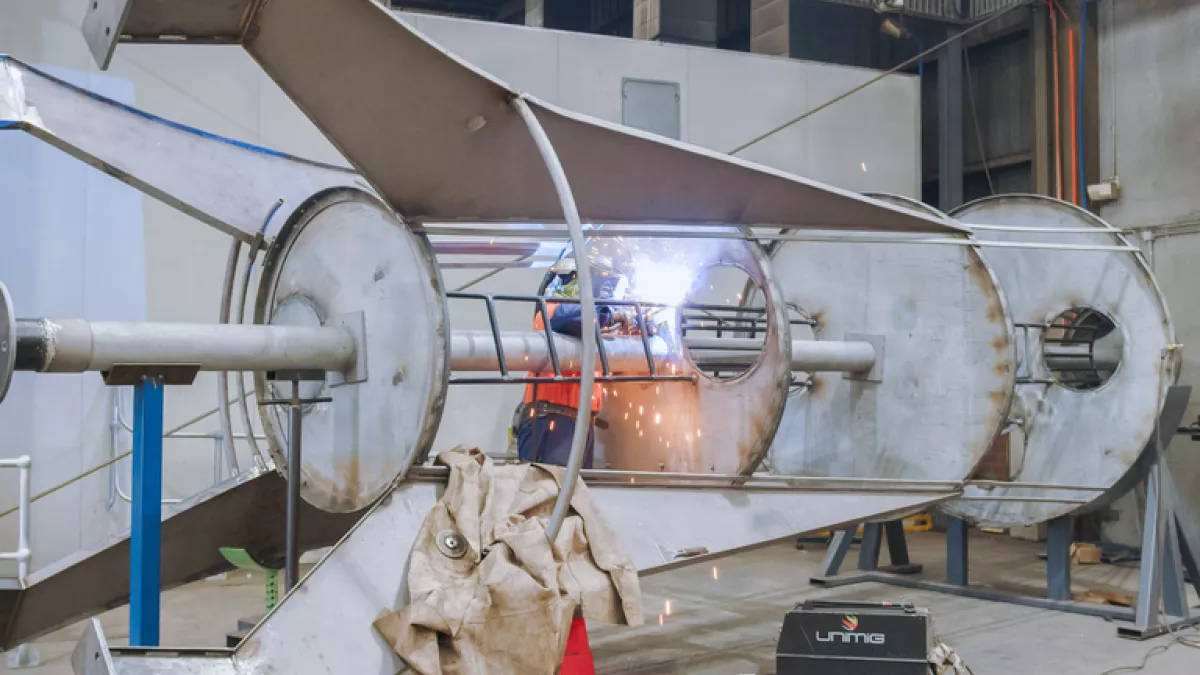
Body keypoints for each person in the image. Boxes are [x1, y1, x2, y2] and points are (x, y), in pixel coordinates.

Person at [513, 254, 635, 469]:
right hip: (550, 421)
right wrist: (612, 315)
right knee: (551, 485)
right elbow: (581, 317)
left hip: (579, 423)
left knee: (576, 488)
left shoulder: (592, 324)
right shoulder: (552, 310)